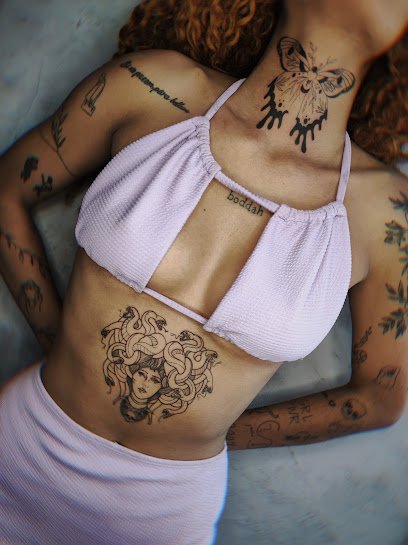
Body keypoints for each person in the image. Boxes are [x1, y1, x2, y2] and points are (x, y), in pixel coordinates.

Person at [0, 0, 407, 543]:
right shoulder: (149, 87)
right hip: (21, 449)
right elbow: (6, 192)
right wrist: (62, 348)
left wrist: (210, 438)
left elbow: (379, 398)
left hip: (164, 515)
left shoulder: (386, 214)